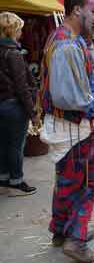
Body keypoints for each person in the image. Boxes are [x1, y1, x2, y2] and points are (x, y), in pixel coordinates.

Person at [38, 0, 94, 263]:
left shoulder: (68, 40)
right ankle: (75, 240)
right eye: (93, 10)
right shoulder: (66, 44)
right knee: (89, 181)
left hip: (70, 128)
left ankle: (61, 231)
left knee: (66, 182)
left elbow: (76, 81)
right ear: (77, 10)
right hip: (73, 128)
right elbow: (70, 97)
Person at [0, 12, 37, 197]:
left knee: (2, 144)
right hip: (13, 106)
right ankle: (16, 181)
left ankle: (3, 179)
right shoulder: (13, 53)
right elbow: (22, 87)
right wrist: (33, 112)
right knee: (15, 146)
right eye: (20, 29)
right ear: (13, 30)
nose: (22, 32)